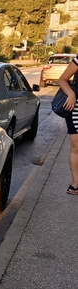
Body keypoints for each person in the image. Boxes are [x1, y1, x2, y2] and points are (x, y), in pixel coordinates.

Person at [58, 55, 78, 194]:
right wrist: (70, 93)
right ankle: (76, 183)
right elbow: (62, 79)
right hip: (76, 108)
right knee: (76, 147)